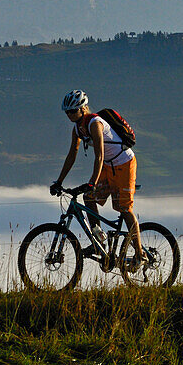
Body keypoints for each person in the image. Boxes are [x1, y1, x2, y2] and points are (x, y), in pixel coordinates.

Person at [50, 89, 145, 269]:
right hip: (108, 166)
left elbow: (99, 155)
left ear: (82, 109)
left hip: (124, 163)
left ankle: (140, 254)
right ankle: (97, 239)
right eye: (67, 112)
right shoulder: (78, 128)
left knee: (124, 208)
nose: (69, 115)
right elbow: (72, 154)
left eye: (72, 111)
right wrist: (59, 181)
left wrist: (92, 182)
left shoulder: (95, 123)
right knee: (89, 198)